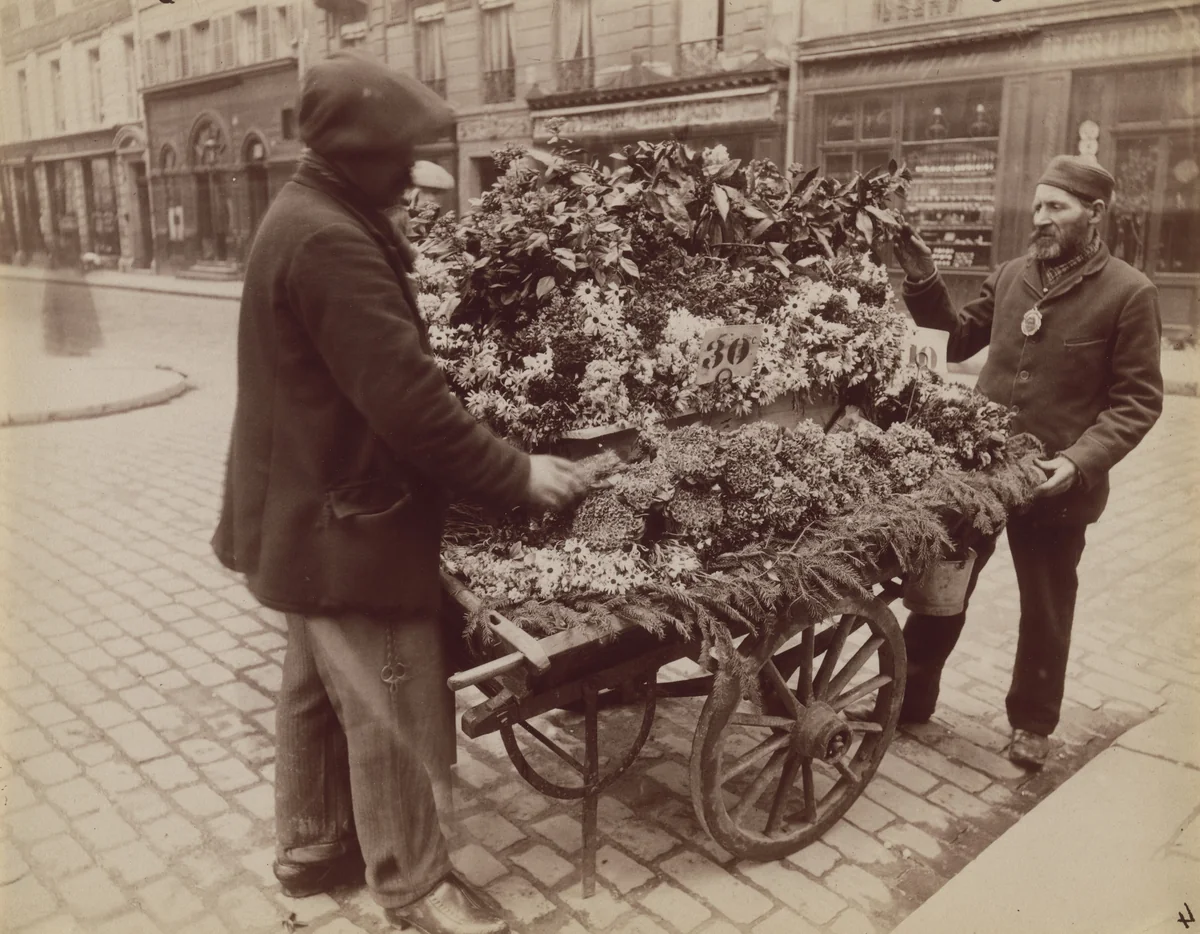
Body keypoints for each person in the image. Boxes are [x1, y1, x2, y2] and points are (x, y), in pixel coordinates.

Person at [212, 53, 589, 934]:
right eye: (404, 156)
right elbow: (410, 405)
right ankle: (417, 891)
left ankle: (311, 849)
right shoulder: (330, 240)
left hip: (300, 515)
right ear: (361, 153)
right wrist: (518, 472)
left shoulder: (311, 213)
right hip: (348, 519)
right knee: (394, 701)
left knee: (314, 688)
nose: (415, 172)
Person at [891, 155, 1163, 770]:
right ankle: (908, 699)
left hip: (1054, 483)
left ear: (1094, 214)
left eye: (1056, 208)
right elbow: (959, 337)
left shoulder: (1129, 292)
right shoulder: (1013, 274)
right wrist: (923, 275)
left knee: (1044, 604)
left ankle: (1033, 724)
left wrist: (1079, 461)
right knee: (943, 587)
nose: (1041, 219)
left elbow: (1138, 401)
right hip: (980, 471)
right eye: (1037, 206)